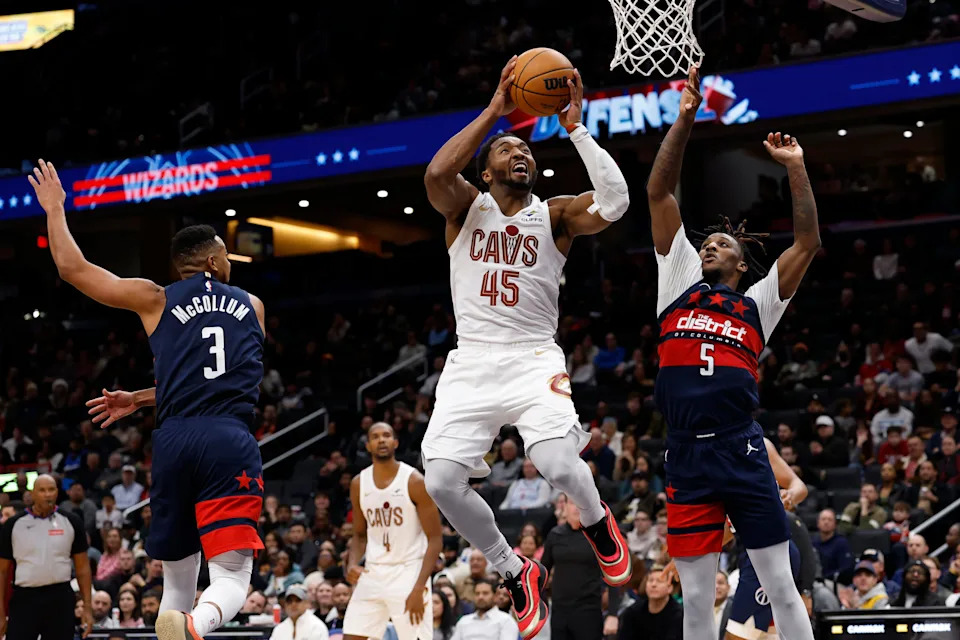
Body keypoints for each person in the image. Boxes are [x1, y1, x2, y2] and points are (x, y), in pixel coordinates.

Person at [420, 57, 631, 639]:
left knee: (561, 462)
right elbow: (437, 175)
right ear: (485, 172)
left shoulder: (556, 214)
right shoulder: (466, 208)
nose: (521, 156)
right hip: (472, 359)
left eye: (527, 153)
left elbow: (616, 203)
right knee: (439, 482)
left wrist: (576, 128)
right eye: (508, 151)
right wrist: (494, 111)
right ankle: (517, 571)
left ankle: (597, 521)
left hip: (534, 355)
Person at [646, 65, 820, 640]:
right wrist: (686, 114)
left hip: (741, 448)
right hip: (686, 455)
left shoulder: (758, 304)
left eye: (721, 243)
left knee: (781, 584)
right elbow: (659, 191)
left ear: (743, 265)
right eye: (705, 242)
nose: (708, 245)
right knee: (696, 597)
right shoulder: (676, 285)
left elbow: (807, 243)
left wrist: (795, 169)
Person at [47, 196, 266, 639]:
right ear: (212, 258)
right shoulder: (253, 305)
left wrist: (54, 209)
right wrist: (146, 397)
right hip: (227, 438)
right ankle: (197, 624)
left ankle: (178, 620)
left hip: (173, 441)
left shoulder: (156, 298)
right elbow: (219, 376)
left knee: (178, 581)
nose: (230, 260)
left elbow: (73, 268)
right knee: (231, 578)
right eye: (226, 252)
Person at [343, 422, 443, 640]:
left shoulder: (414, 481)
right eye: (375, 436)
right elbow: (359, 534)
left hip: (409, 571)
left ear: (395, 442)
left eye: (386, 435)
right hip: (373, 571)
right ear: (368, 446)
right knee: (352, 636)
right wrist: (352, 563)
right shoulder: (359, 483)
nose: (381, 440)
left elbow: (435, 539)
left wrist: (419, 587)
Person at [0, 474, 94, 639]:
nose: (47, 494)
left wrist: (87, 608)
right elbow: (2, 572)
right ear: (32, 494)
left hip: (60, 597)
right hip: (25, 598)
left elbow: (83, 568)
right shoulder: (14, 524)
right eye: (42, 490)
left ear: (57, 492)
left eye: (51, 489)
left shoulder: (71, 521)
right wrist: (0, 613)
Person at [541, 496, 622, 640]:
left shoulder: (599, 535)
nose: (576, 507)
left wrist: (613, 614)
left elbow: (614, 576)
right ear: (564, 506)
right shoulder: (555, 534)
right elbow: (541, 573)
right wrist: (541, 604)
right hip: (559, 612)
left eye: (581, 503)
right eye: (572, 503)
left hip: (588, 612)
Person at [617, 567, 683, 640]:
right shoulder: (633, 611)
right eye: (650, 580)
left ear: (670, 588)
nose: (653, 585)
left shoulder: (678, 615)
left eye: (659, 581)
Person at [449, 578, 518, 640]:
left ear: (494, 596)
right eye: (477, 593)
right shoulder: (464, 621)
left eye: (485, 593)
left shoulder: (506, 621)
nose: (480, 597)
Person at [812, 509, 854, 580]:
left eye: (830, 520)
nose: (826, 522)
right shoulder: (813, 542)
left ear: (835, 524)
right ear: (818, 523)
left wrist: (825, 578)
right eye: (823, 519)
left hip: (835, 582)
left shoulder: (841, 543)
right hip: (816, 581)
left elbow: (846, 569)